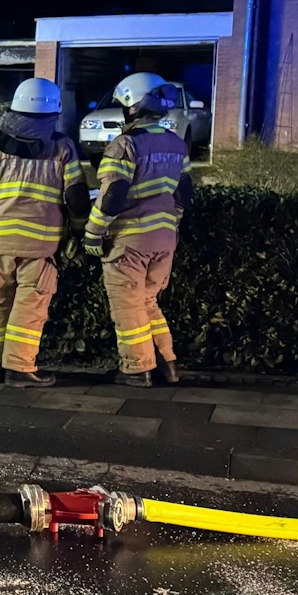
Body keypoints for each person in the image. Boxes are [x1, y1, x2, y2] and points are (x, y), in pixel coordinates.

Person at [0, 77, 89, 388]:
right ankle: (19, 368)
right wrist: (78, 228)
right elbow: (76, 196)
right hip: (39, 245)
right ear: (54, 111)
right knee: (29, 307)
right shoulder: (62, 147)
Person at [84, 72, 194, 388]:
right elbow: (184, 195)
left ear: (132, 106)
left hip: (130, 240)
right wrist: (170, 225)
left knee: (128, 307)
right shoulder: (176, 144)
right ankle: (167, 365)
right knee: (148, 302)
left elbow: (113, 194)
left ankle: (136, 370)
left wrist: (94, 232)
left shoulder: (125, 145)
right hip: (165, 238)